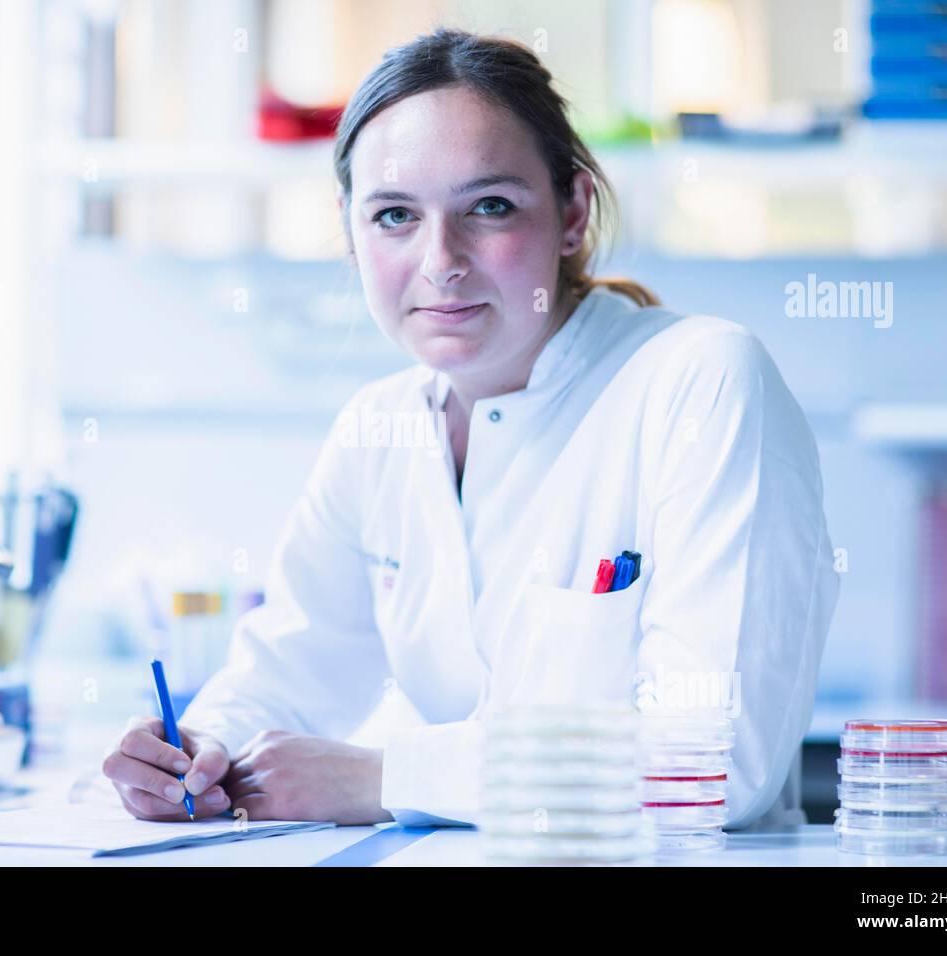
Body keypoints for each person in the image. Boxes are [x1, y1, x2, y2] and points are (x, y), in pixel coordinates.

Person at [101, 27, 839, 829]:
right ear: (349, 232)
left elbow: (712, 765)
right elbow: (290, 670)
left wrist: (386, 779)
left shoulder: (701, 381)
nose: (439, 260)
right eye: (393, 216)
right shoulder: (376, 430)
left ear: (573, 214)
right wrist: (194, 752)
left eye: (489, 206)